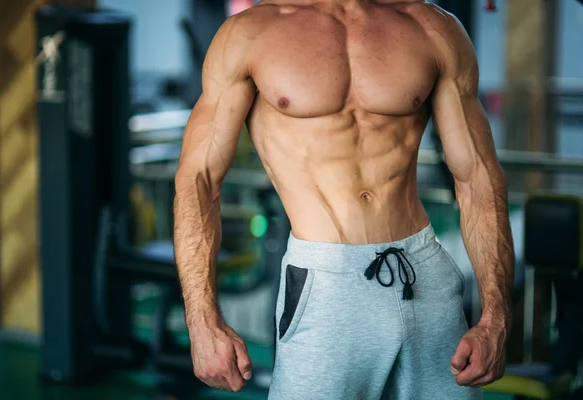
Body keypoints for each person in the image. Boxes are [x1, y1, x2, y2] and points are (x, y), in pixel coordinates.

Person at [173, 0, 515, 399]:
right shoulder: (251, 33)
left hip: (424, 274)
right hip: (325, 283)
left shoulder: (432, 28)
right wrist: (201, 322)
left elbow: (478, 179)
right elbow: (198, 179)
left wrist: (497, 315)